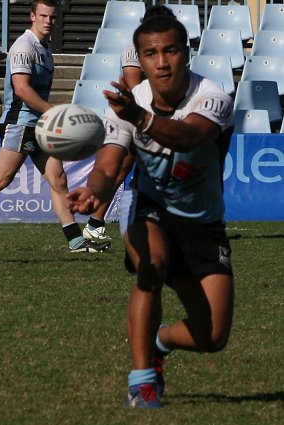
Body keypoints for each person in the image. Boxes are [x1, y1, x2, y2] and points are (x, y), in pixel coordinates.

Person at [66, 15, 234, 408]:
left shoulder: (212, 97)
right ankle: (142, 381)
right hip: (151, 207)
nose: (161, 62)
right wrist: (93, 191)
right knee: (150, 268)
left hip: (203, 223)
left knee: (213, 337)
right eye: (151, 53)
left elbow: (190, 136)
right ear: (139, 59)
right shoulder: (131, 104)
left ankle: (158, 340)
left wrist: (139, 118)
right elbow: (109, 164)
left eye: (170, 51)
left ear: (186, 53)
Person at [0, 0, 110, 253]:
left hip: (40, 125)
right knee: (1, 180)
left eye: (52, 17)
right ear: (32, 16)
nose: (48, 21)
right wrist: (53, 112)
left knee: (58, 179)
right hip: (20, 124)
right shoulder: (23, 46)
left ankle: (76, 241)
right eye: (43, 16)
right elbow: (21, 88)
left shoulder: (44, 48)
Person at [83, 5, 176, 242]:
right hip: (129, 117)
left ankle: (109, 222)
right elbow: (136, 89)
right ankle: (95, 224)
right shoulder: (134, 50)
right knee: (117, 170)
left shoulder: (170, 51)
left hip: (150, 117)